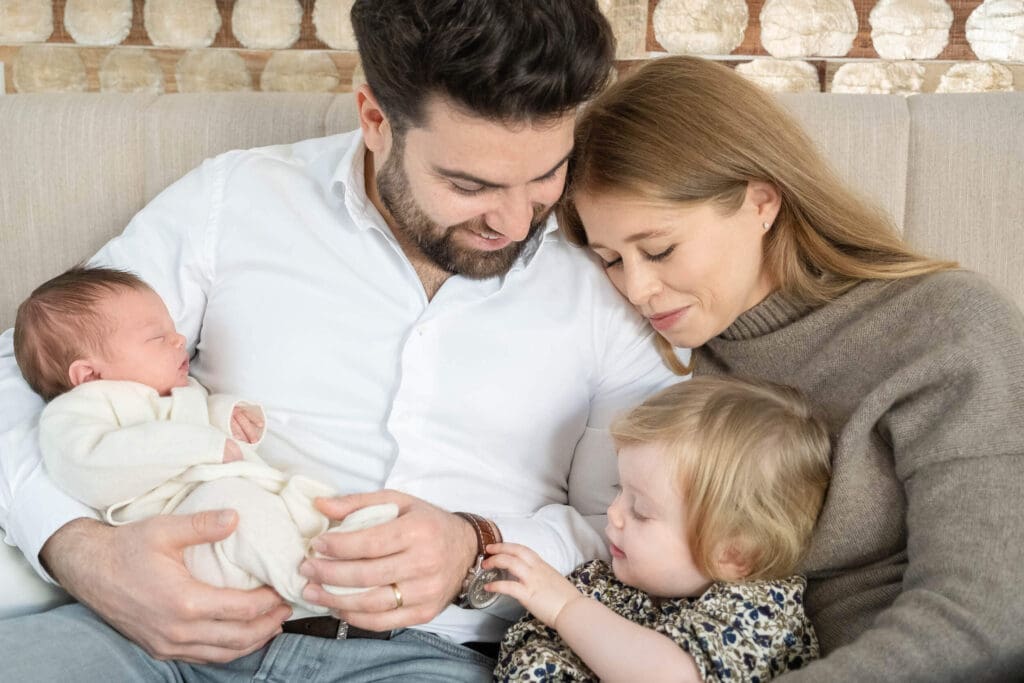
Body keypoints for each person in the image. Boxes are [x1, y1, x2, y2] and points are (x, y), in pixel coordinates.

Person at [0, 1, 676, 681]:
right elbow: (21, 369)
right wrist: (81, 550)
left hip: (430, 655)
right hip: (156, 632)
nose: (511, 220)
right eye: (469, 184)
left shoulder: (611, 274)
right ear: (375, 119)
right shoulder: (236, 200)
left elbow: (633, 518)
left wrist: (480, 544)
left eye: (544, 177)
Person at [556, 55, 1024, 681]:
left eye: (660, 249)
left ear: (761, 203)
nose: (637, 289)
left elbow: (985, 618)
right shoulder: (688, 377)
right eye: (612, 260)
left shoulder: (948, 328)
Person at [13, 266, 398, 616]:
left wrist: (228, 418)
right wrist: (204, 445)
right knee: (237, 505)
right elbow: (91, 466)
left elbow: (199, 418)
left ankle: (340, 542)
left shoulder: (177, 391)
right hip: (183, 532)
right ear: (90, 375)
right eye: (157, 337)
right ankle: (310, 585)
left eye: (173, 328)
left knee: (298, 486)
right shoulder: (77, 413)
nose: (179, 338)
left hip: (235, 510)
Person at [488, 376, 831, 682]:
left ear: (733, 553)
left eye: (640, 510)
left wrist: (566, 609)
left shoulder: (761, 612)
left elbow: (673, 676)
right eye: (618, 490)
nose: (613, 512)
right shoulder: (617, 581)